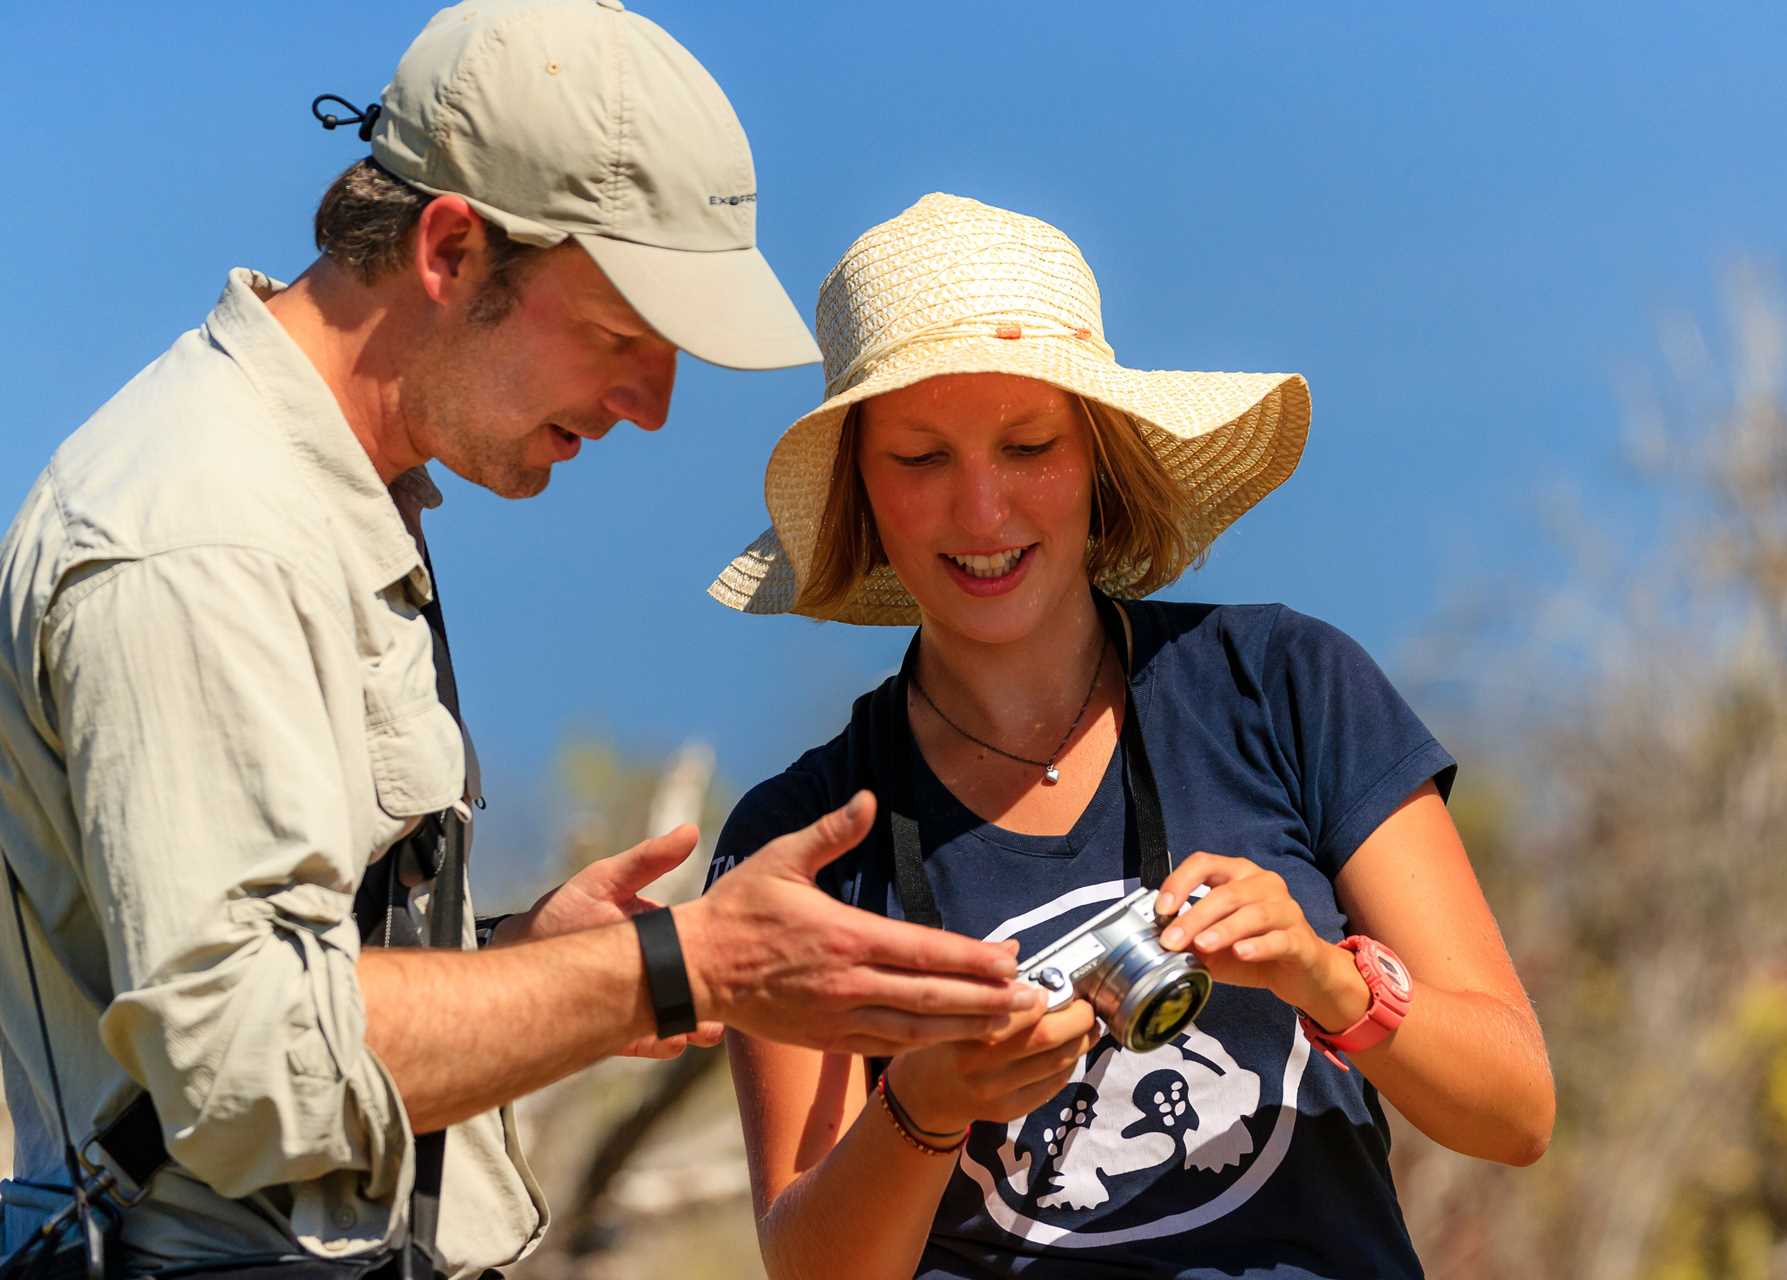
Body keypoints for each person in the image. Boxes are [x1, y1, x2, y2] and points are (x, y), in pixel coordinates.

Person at [0, 10, 1034, 1278]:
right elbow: (242, 1062)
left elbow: (275, 973)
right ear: (448, 248)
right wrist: (675, 967)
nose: (651, 405)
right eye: (619, 337)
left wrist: (531, 969)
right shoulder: (203, 538)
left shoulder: (321, 487)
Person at [705, 193, 1556, 1278]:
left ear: (1102, 456)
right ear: (857, 496)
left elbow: (1515, 1106)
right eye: (921, 458)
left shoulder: (1288, 686)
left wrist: (1323, 976)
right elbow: (812, 1265)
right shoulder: (801, 842)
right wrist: (926, 1103)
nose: (981, 509)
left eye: (1027, 446)